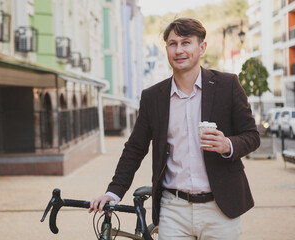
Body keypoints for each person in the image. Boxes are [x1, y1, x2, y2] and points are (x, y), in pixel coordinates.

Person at [89, 17, 260, 239]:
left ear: (202, 47)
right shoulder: (153, 97)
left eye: (186, 42)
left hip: (221, 209)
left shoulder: (227, 85)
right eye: (172, 43)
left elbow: (252, 136)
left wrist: (227, 144)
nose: (179, 50)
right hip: (173, 209)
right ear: (167, 49)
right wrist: (113, 192)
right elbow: (135, 148)